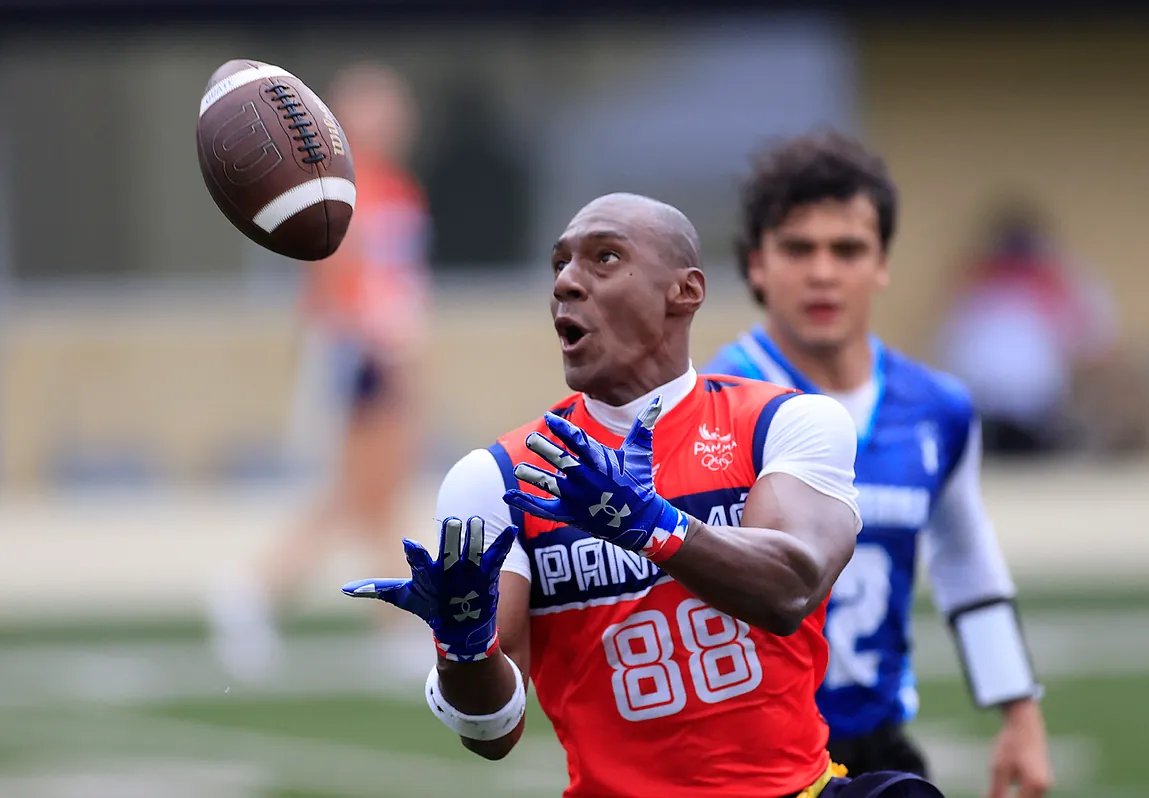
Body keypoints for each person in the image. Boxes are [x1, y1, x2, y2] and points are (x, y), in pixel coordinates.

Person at [342, 193, 941, 797]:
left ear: (685, 291)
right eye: (559, 265)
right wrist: (462, 650)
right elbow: (493, 732)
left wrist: (648, 523)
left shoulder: (784, 424)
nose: (568, 283)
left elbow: (791, 588)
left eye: (604, 258)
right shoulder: (495, 477)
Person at [705, 133, 1053, 797]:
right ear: (756, 264)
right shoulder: (717, 405)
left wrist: (1020, 710)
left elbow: (964, 559)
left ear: (883, 262)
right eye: (798, 248)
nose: (824, 272)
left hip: (878, 741)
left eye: (848, 249)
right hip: (755, 757)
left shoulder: (937, 407)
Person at [209, 62, 431, 679]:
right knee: (366, 491)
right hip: (360, 353)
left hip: (387, 348)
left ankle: (370, 616)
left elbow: (401, 284)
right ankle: (256, 590)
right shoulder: (332, 187)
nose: (389, 119)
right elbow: (334, 281)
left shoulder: (399, 186)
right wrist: (371, 351)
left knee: (371, 495)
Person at [936, 200, 1119, 455]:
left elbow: (1096, 345)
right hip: (984, 408)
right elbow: (950, 345)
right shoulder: (980, 280)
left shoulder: (1059, 280)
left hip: (1041, 410)